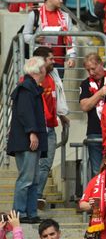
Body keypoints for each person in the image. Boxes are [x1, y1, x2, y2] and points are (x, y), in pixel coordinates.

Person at [8, 57, 48, 224]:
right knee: (26, 178)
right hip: (27, 141)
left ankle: (30, 212)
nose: (46, 70)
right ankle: (20, 213)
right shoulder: (26, 88)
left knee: (33, 179)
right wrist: (32, 132)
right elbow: (25, 112)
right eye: (44, 68)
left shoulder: (30, 87)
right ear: (37, 71)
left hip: (29, 141)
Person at [31, 47, 68, 210]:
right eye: (50, 59)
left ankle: (37, 195)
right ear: (42, 60)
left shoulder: (53, 76)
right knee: (34, 165)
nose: (54, 61)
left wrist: (61, 115)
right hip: (37, 128)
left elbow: (54, 100)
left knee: (46, 164)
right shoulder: (33, 78)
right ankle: (33, 197)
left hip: (51, 127)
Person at [22, 0, 76, 72]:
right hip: (39, 61)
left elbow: (71, 38)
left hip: (59, 61)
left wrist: (72, 57)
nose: (61, 1)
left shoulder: (65, 16)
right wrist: (35, 38)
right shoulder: (35, 14)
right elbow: (25, 35)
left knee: (57, 85)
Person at [79, 53, 106, 178]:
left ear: (101, 64)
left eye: (93, 68)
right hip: (94, 131)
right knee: (97, 171)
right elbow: (84, 106)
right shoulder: (85, 84)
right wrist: (100, 94)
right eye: (88, 70)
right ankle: (99, 196)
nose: (91, 72)